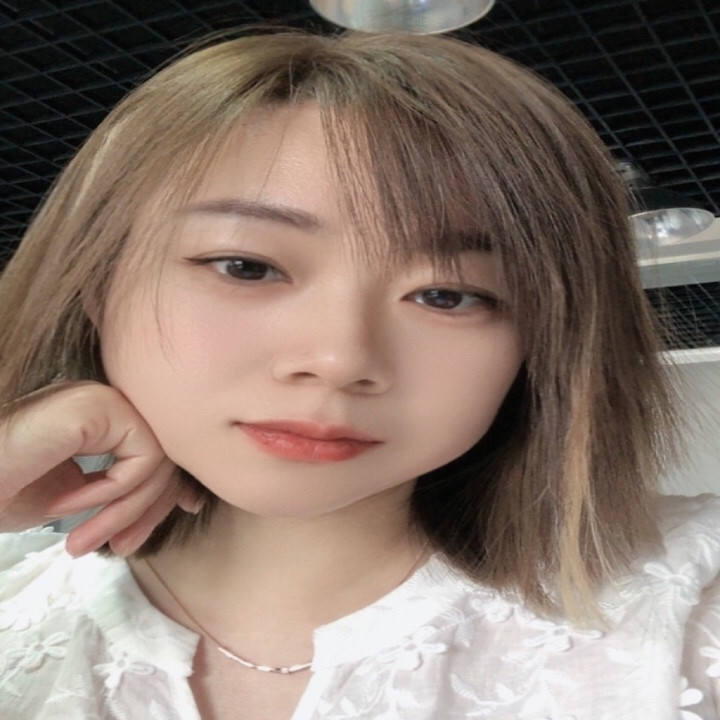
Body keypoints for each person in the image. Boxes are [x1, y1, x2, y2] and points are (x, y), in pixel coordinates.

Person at [0, 29, 718, 720]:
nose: (341, 360)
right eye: (247, 266)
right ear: (97, 283)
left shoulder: (689, 606)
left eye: (448, 295)